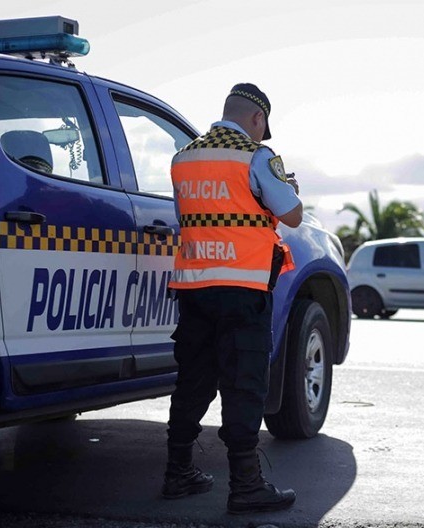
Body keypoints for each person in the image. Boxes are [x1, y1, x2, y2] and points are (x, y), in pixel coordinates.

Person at [163, 83, 302, 514]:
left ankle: (177, 473)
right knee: (244, 384)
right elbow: (293, 215)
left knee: (193, 381)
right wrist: (289, 186)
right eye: (262, 126)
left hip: (194, 287)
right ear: (258, 119)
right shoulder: (256, 156)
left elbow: (188, 215)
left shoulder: (183, 157)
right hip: (243, 289)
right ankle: (246, 486)